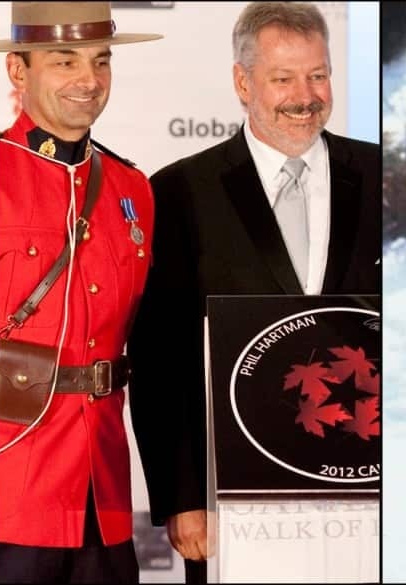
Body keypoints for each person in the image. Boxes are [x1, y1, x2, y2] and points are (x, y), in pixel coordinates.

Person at [126, 2, 379, 582]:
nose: (305, 94)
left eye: (318, 75)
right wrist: (183, 497)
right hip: (234, 502)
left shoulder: (376, 176)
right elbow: (162, 359)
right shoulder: (181, 191)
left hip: (362, 491)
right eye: (283, 78)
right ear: (243, 82)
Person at [0, 2, 162, 584]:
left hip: (104, 493)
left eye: (100, 60)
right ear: (19, 71)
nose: (88, 80)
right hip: (7, 490)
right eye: (64, 61)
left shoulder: (132, 189)